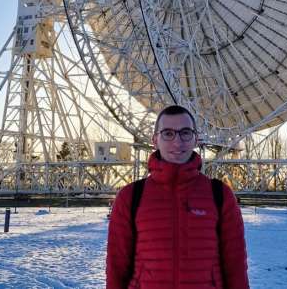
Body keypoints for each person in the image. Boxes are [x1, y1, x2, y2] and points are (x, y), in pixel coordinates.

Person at [106, 105, 249, 289]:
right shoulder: (130, 197)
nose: (177, 142)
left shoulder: (220, 195)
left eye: (185, 133)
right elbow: (117, 267)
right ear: (155, 140)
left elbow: (235, 265)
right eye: (168, 133)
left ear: (196, 139)